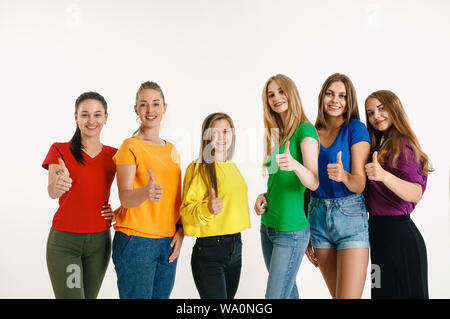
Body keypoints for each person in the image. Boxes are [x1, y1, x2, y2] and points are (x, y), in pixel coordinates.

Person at [111, 81, 183, 299]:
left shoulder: (172, 150)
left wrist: (180, 231)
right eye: (143, 105)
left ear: (164, 108)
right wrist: (145, 192)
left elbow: (175, 200)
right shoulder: (130, 146)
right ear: (136, 110)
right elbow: (125, 197)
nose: (150, 110)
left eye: (155, 104)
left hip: (168, 242)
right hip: (136, 242)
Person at [42, 91, 117, 299]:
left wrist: (118, 211)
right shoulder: (60, 150)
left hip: (100, 244)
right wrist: (59, 184)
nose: (91, 120)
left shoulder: (115, 155)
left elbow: (131, 191)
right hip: (65, 244)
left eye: (97, 114)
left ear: (106, 117)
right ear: (76, 118)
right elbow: (52, 191)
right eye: (85, 115)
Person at [305, 73, 371, 299]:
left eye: (342, 96)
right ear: (322, 96)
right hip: (317, 217)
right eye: (330, 94)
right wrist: (305, 231)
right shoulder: (310, 132)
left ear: (349, 100)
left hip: (349, 215)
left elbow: (359, 183)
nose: (335, 100)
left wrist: (343, 176)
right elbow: (305, 184)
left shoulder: (355, 128)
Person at [254, 74, 319, 299]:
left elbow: (314, 181)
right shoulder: (279, 135)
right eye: (271, 95)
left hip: (290, 232)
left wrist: (295, 166)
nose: (276, 98)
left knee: (274, 297)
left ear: (291, 93)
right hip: (268, 226)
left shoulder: (305, 130)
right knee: (287, 293)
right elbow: (278, 182)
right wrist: (264, 195)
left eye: (281, 91)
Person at [364, 90, 432, 299]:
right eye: (370, 112)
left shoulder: (402, 145)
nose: (376, 115)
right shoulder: (380, 144)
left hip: (399, 239)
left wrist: (383, 176)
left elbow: (415, 193)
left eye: (382, 108)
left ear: (395, 109)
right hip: (378, 236)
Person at [180, 112, 251, 299]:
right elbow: (186, 211)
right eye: (215, 132)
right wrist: (207, 209)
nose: (222, 137)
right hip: (210, 250)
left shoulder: (233, 168)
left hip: (236, 247)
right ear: (206, 136)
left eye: (226, 131)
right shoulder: (198, 169)